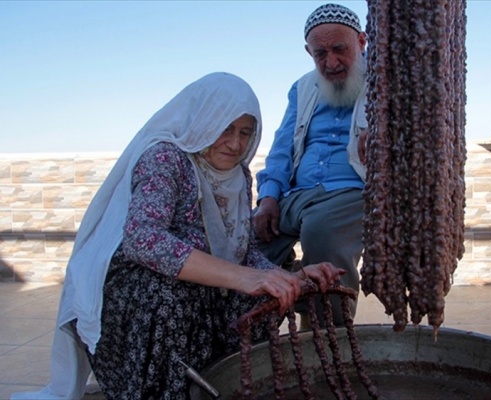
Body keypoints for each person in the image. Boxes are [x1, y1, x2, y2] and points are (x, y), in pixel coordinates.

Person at [11, 72, 344, 400]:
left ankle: (222, 383)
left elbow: (241, 249)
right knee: (172, 293)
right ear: (204, 121)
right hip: (137, 297)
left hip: (201, 292)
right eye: (225, 128)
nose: (236, 143)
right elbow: (143, 240)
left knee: (264, 295)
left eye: (245, 132)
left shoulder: (238, 174)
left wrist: (288, 277)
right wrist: (244, 277)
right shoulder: (165, 158)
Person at [253, 3, 367, 327]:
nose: (330, 63)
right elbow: (282, 147)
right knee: (247, 240)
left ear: (361, 41)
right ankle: (262, 331)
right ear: (309, 52)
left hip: (353, 190)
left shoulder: (389, 82)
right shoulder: (301, 88)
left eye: (339, 49)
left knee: (322, 232)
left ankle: (326, 340)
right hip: (298, 193)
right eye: (320, 54)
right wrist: (269, 197)